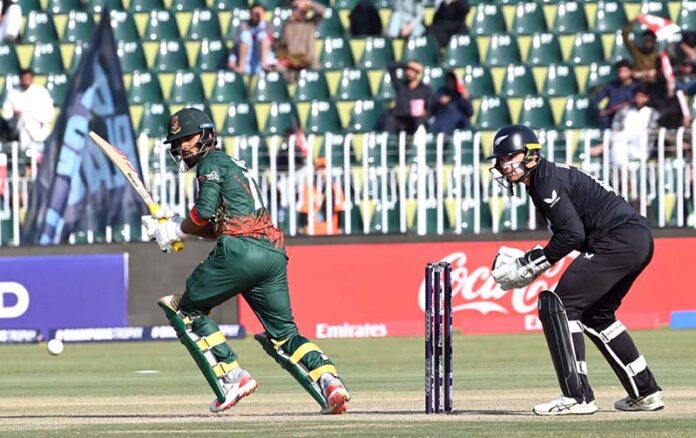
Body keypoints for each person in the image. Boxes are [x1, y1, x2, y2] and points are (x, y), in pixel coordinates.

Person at [141, 108, 350, 415]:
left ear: (206, 135)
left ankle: (233, 376)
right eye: (177, 142)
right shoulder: (233, 164)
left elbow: (204, 212)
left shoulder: (210, 163)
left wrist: (176, 230)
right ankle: (330, 381)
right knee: (285, 334)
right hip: (272, 253)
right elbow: (218, 225)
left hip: (240, 251)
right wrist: (173, 226)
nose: (182, 146)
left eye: (187, 138)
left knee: (186, 309)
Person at [488, 125, 663, 416]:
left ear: (531, 155)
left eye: (511, 157)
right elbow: (573, 233)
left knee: (560, 306)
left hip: (617, 240)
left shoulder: (546, 182)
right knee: (597, 316)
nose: (505, 166)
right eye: (501, 160)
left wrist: (532, 264)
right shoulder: (545, 178)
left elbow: (572, 235)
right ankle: (645, 392)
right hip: (635, 239)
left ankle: (577, 397)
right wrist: (535, 262)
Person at [1, 68, 54, 154]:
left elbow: (49, 113)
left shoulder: (41, 92)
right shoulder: (13, 93)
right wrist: (15, 114)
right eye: (24, 78)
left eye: (28, 78)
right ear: (20, 79)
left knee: (29, 125)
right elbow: (6, 115)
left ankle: (28, 152)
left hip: (38, 126)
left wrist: (37, 117)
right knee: (24, 119)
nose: (26, 81)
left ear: (32, 79)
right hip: (17, 127)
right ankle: (31, 151)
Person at [608, 84, 659, 166]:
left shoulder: (653, 113)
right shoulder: (624, 111)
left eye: (642, 96)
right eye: (637, 96)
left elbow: (654, 132)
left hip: (643, 147)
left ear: (647, 98)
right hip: (623, 145)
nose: (639, 99)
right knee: (617, 144)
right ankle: (623, 171)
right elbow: (615, 128)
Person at [380, 60, 433, 135]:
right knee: (389, 119)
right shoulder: (401, 86)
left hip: (415, 120)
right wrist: (408, 64)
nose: (409, 72)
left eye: (412, 70)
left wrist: (425, 112)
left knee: (420, 123)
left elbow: (430, 107)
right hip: (399, 118)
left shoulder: (425, 89)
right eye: (407, 70)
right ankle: (390, 141)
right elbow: (390, 67)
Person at [275, 0, 325, 78]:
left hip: (308, 61)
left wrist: (308, 3)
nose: (299, 12)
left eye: (302, 11)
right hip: (292, 61)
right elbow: (283, 46)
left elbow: (322, 11)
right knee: (279, 69)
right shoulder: (288, 25)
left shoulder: (310, 23)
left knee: (317, 70)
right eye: (296, 9)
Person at [227, 3, 276, 75]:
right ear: (250, 14)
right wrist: (232, 59)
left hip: (262, 59)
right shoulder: (243, 26)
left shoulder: (268, 25)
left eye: (260, 13)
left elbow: (270, 43)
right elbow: (236, 44)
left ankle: (264, 64)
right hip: (247, 59)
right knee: (245, 36)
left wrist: (261, 21)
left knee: (262, 35)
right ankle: (241, 66)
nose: (257, 16)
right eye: (255, 13)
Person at [591, 60, 637, 129]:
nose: (622, 74)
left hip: (631, 116)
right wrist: (600, 110)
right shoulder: (611, 86)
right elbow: (597, 100)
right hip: (612, 117)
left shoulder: (637, 87)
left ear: (630, 72)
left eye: (624, 71)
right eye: (620, 71)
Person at [430, 70, 473, 135]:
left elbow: (469, 112)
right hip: (442, 123)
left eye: (453, 80)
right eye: (449, 79)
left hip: (459, 125)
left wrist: (466, 100)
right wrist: (439, 101)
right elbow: (432, 110)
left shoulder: (461, 94)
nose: (451, 82)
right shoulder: (441, 92)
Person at [622, 17, 659, 83]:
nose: (649, 42)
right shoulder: (637, 52)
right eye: (647, 39)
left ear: (654, 41)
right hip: (639, 83)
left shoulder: (657, 55)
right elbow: (625, 35)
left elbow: (662, 72)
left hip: (655, 84)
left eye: (651, 39)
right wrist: (634, 20)